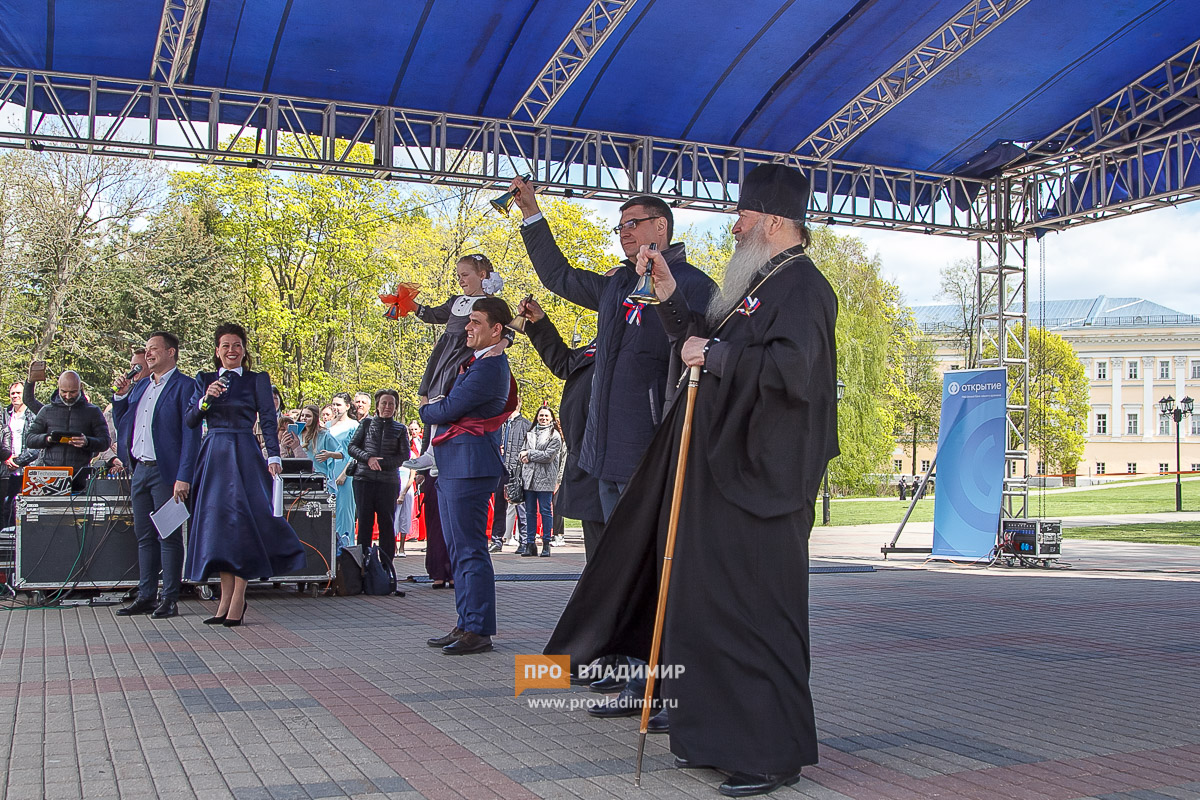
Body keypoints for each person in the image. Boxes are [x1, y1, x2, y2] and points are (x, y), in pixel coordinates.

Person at [545, 164, 838, 797]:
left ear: (777, 222)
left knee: (758, 613)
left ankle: (768, 754)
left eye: (745, 215)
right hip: (723, 473)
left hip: (767, 481)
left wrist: (720, 355)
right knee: (712, 609)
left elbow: (795, 371)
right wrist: (673, 298)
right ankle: (714, 737)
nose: (735, 225)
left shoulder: (805, 289)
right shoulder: (759, 284)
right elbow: (698, 341)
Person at [507, 178, 716, 522]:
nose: (624, 232)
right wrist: (531, 210)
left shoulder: (695, 285)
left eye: (633, 223)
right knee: (608, 562)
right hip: (600, 451)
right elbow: (559, 276)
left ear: (660, 226)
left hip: (648, 448)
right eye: (620, 226)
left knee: (641, 560)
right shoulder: (616, 284)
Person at [185, 323, 306, 627]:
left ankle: (238, 598)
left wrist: (275, 455)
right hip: (213, 453)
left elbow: (268, 418)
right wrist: (205, 399)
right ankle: (224, 601)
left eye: (237, 345)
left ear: (244, 349)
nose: (231, 351)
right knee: (220, 527)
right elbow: (189, 419)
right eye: (225, 346)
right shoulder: (204, 380)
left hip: (244, 452)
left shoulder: (256, 380)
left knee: (242, 525)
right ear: (217, 350)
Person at [421, 297, 516, 656]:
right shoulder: (476, 362)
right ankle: (465, 622)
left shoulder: (490, 368)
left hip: (469, 467)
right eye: (468, 322)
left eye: (475, 322)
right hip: (455, 466)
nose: (467, 328)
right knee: (460, 550)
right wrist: (439, 407)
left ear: (496, 330)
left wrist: (429, 407)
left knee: (470, 550)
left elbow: (447, 408)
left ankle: (477, 629)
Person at [112, 332, 202, 619]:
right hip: (141, 470)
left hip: (168, 474)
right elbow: (123, 423)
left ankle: (170, 598)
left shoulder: (185, 386)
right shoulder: (141, 387)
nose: (148, 355)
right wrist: (120, 397)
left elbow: (191, 435)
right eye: (147, 350)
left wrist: (183, 475)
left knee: (169, 536)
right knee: (144, 536)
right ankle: (146, 594)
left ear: (171, 352)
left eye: (154, 349)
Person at [516, 297, 604, 559]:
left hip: (612, 461)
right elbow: (565, 363)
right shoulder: (597, 344)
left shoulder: (632, 336)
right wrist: (539, 323)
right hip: (587, 460)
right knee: (597, 555)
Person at [347, 389, 408, 577]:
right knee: (364, 523)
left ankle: (386, 567)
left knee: (386, 525)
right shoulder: (365, 424)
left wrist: (383, 464)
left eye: (391, 404)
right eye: (384, 403)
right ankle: (363, 566)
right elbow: (352, 447)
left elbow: (404, 455)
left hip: (387, 482)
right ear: (377, 405)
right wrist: (369, 458)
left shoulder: (400, 429)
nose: (387, 407)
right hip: (363, 480)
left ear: (396, 408)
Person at [25, 370, 110, 478]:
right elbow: (29, 439)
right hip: (50, 474)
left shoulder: (93, 412)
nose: (68, 396)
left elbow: (105, 442)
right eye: (64, 392)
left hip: (80, 474)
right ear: (58, 387)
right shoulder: (46, 411)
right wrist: (48, 439)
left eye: (73, 392)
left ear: (80, 387)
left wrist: (87, 441)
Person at [520, 406, 563, 557]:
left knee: (545, 511)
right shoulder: (530, 433)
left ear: (551, 418)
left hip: (545, 478)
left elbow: (548, 456)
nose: (543, 418)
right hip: (529, 478)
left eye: (546, 416)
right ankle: (529, 544)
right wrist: (523, 455)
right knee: (530, 512)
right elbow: (522, 451)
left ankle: (546, 543)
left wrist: (529, 454)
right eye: (541, 415)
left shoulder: (555, 435)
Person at [326, 392, 358, 549]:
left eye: (338, 404)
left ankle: (346, 548)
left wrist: (345, 474)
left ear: (347, 406)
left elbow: (355, 453)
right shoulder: (327, 426)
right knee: (328, 511)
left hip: (346, 474)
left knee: (344, 513)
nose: (335, 407)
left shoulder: (354, 425)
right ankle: (330, 548)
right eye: (334, 404)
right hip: (328, 473)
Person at [498, 409, 531, 551]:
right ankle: (497, 539)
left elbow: (529, 447)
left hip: (518, 471)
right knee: (500, 506)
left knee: (521, 506)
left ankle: (524, 541)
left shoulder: (526, 425)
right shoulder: (501, 424)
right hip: (501, 468)